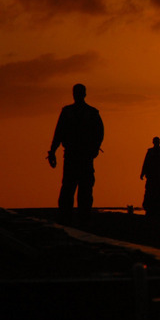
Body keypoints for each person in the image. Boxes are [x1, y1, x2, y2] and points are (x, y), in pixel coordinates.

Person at [47, 84, 104, 224]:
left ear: (83, 94)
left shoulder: (89, 113)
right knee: (70, 187)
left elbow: (99, 133)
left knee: (81, 187)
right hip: (74, 155)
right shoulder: (70, 112)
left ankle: (81, 217)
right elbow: (59, 133)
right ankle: (69, 217)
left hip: (82, 156)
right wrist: (52, 151)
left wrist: (94, 149)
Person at [140, 137, 160, 217]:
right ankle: (149, 206)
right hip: (151, 176)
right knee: (150, 191)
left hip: (158, 175)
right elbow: (146, 163)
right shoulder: (150, 152)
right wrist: (142, 173)